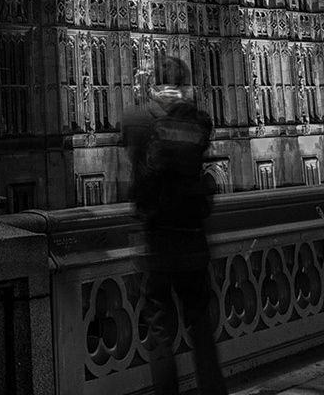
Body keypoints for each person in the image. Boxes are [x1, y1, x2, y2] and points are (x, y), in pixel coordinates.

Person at [122, 55, 227, 395]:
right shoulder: (199, 122)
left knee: (160, 332)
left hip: (156, 241)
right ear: (186, 86)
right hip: (193, 239)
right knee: (200, 326)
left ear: (152, 83)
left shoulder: (137, 120)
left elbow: (137, 175)